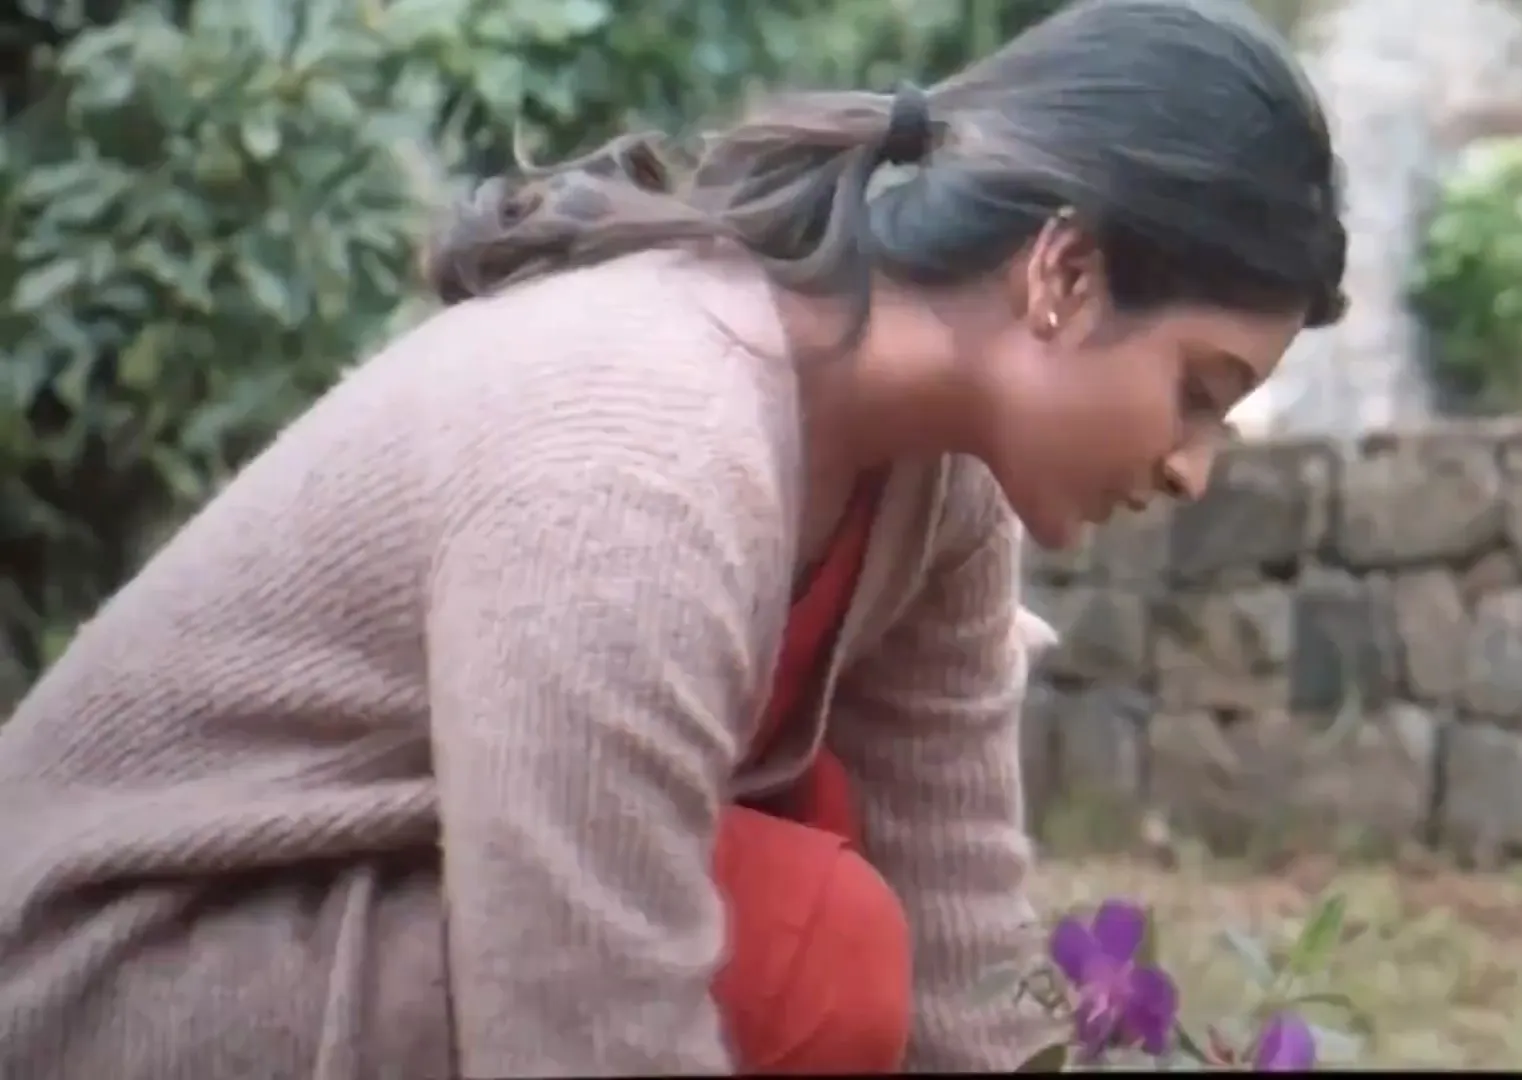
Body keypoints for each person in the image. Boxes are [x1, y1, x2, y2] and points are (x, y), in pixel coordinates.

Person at [0, 0, 1346, 1073]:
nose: (1192, 469)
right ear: (1064, 271)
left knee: (830, 863)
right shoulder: (641, 460)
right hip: (109, 972)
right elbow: (583, 1029)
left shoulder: (939, 491)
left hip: (377, 919)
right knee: (805, 947)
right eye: (1200, 391)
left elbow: (962, 961)